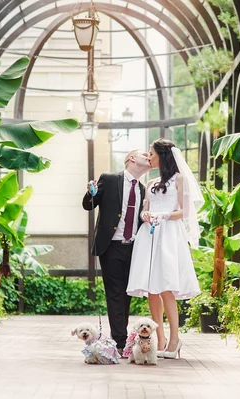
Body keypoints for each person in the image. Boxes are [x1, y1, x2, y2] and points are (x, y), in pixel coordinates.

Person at [126, 139, 202, 359]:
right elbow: (144, 210)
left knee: (166, 286)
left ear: (162, 155)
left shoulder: (179, 179)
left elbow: (184, 212)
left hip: (169, 235)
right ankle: (160, 339)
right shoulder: (151, 183)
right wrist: (146, 216)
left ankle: (175, 340)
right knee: (152, 289)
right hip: (149, 236)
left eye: (151, 154)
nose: (149, 157)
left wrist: (163, 216)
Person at [82, 149, 151, 355]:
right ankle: (120, 342)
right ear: (132, 158)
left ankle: (121, 339)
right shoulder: (110, 179)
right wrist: (91, 193)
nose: (149, 157)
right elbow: (88, 205)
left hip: (134, 247)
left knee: (127, 294)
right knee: (114, 293)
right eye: (144, 154)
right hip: (110, 245)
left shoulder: (143, 189)